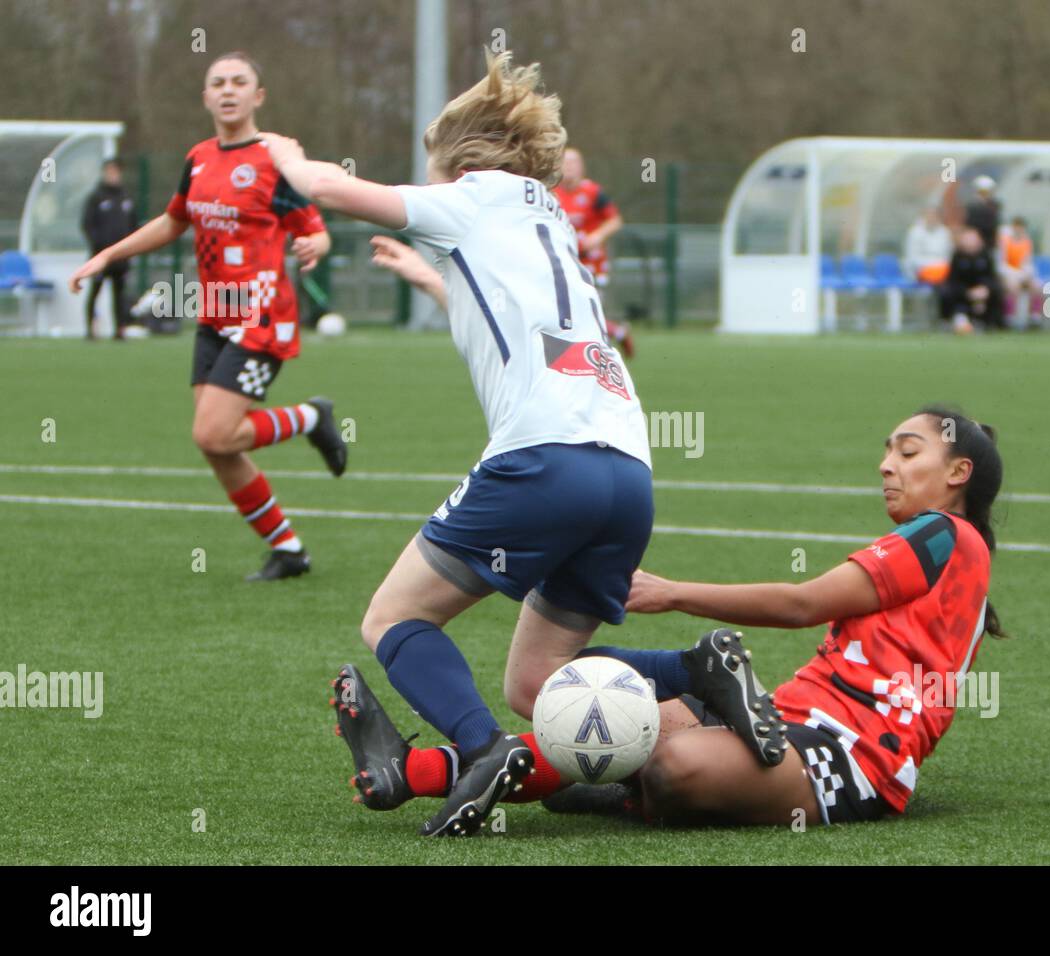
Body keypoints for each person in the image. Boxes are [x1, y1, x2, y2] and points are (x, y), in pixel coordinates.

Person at [263, 51, 754, 839]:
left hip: (544, 461)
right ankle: (695, 671)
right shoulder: (552, 220)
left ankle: (481, 749)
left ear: (460, 158)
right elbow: (522, 311)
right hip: (626, 471)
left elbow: (324, 188)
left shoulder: (469, 197)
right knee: (540, 682)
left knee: (392, 619)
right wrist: (432, 281)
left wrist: (284, 156)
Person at [331, 406, 1003, 829]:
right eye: (887, 449)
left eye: (909, 452)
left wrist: (676, 591)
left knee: (672, 766)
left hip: (851, 760)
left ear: (958, 472)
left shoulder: (944, 534)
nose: (887, 464)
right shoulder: (943, 545)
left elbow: (806, 604)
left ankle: (626, 785)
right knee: (594, 709)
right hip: (780, 715)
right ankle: (408, 773)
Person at [69, 52, 343, 581]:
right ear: (205, 96)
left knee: (215, 434)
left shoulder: (273, 159)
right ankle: (288, 551)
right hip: (215, 312)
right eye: (217, 82)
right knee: (217, 444)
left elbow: (315, 226)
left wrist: (317, 245)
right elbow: (173, 221)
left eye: (240, 81)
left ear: (258, 96)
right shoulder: (197, 158)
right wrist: (108, 255)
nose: (228, 90)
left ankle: (313, 417)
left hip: (262, 315)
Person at [553, 147, 634, 358]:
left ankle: (602, 354)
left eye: (574, 162)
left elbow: (615, 220)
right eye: (565, 162)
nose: (569, 167)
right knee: (570, 312)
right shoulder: (552, 193)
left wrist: (597, 236)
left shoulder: (593, 193)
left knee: (588, 311)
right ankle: (617, 332)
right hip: (566, 262)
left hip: (593, 263)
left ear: (582, 167)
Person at [80, 158, 138, 340]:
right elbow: (87, 224)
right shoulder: (96, 197)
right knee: (95, 291)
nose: (113, 175)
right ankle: (91, 328)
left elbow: (134, 225)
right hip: (100, 257)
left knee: (119, 294)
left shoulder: (126, 197)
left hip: (120, 258)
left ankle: (119, 329)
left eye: (116, 171)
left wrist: (129, 247)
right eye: (110, 171)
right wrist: (99, 246)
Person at [940, 227, 1003, 333]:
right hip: (963, 294)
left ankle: (992, 323)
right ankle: (952, 320)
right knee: (946, 292)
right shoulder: (957, 257)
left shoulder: (985, 256)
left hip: (983, 294)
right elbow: (953, 281)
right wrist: (967, 293)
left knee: (998, 292)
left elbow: (992, 278)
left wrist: (985, 290)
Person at [998, 216, 1037, 328]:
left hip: (1021, 274)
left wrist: (1026, 274)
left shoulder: (1027, 242)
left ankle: (1034, 318)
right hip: (1007, 273)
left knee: (1036, 286)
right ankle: (1009, 318)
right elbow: (1001, 264)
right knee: (1012, 286)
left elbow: (1027, 262)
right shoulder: (1004, 241)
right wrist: (1014, 274)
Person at [902, 207, 953, 285]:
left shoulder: (944, 232)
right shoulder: (915, 232)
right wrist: (932, 265)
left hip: (942, 268)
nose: (931, 218)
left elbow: (948, 254)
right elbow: (913, 257)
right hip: (920, 269)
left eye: (934, 216)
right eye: (928, 215)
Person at [964, 175, 1001, 250]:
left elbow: (995, 224)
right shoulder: (972, 208)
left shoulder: (994, 206)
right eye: (981, 193)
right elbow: (969, 225)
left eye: (986, 193)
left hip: (990, 242)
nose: (984, 196)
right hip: (974, 243)